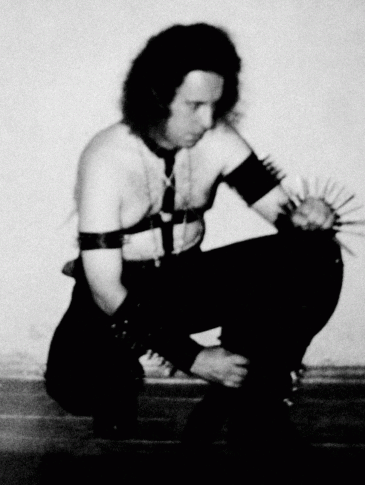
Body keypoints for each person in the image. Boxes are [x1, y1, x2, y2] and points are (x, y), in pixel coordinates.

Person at [44, 23, 343, 455]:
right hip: (117, 294)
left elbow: (284, 215)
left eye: (215, 105)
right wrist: (195, 359)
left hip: (185, 280)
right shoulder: (106, 158)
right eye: (194, 105)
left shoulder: (217, 136)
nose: (206, 121)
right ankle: (119, 379)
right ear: (155, 96)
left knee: (316, 254)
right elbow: (106, 290)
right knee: (73, 389)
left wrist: (311, 217)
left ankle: (252, 404)